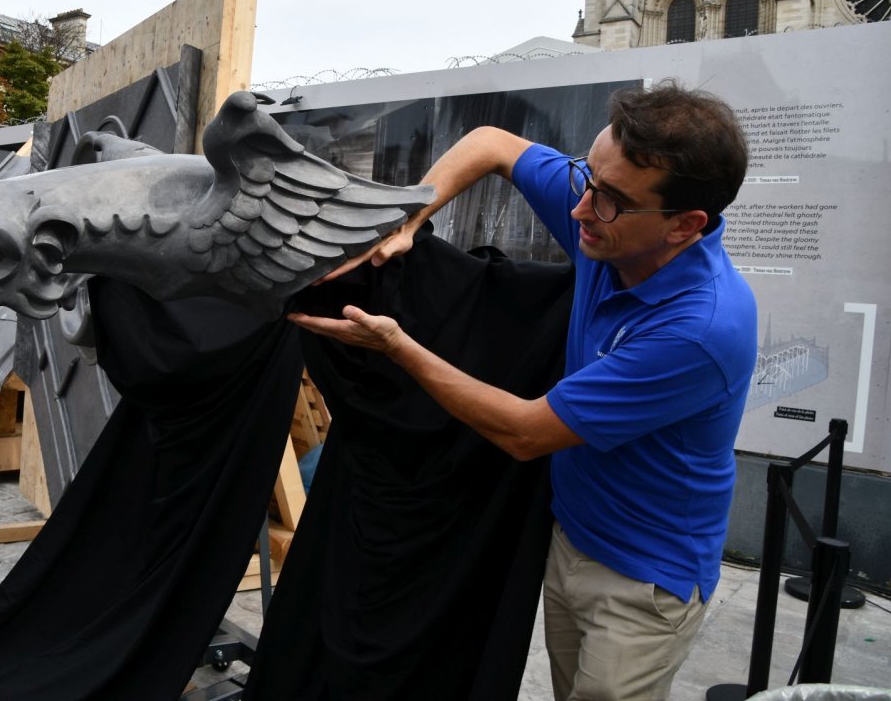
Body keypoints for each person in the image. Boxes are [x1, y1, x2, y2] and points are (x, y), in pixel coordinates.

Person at [290, 82, 758, 700]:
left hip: (642, 579)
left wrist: (396, 347)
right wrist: (411, 216)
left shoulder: (698, 329)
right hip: (572, 537)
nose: (580, 209)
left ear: (685, 226)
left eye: (609, 200)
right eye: (588, 179)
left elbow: (525, 432)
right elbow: (491, 143)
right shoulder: (611, 216)